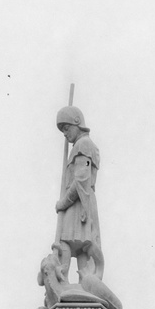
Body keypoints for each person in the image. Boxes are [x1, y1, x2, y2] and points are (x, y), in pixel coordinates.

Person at [53, 106, 103, 284]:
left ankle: (63, 281)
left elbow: (81, 180)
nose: (65, 134)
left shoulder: (83, 145)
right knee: (82, 246)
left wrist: (63, 203)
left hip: (79, 201)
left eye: (66, 129)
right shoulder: (83, 145)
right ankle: (84, 285)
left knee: (67, 241)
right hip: (82, 201)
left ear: (77, 123)